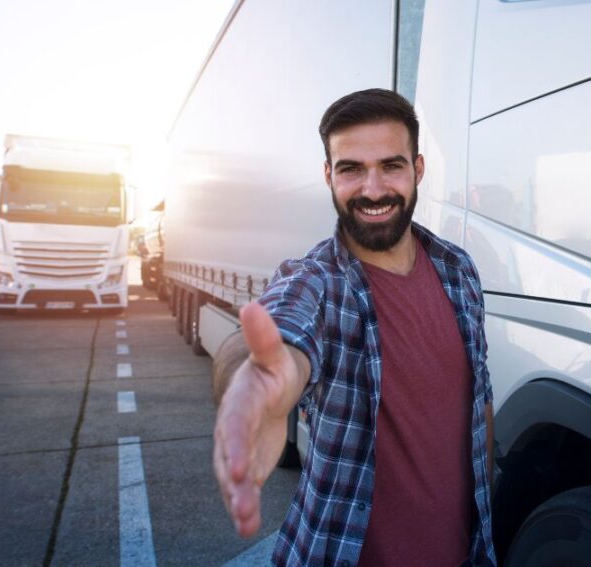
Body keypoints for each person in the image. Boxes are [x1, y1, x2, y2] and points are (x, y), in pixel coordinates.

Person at [211, 89, 496, 567]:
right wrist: (256, 381)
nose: (373, 188)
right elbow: (280, 329)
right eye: (351, 169)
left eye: (391, 165)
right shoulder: (317, 281)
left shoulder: (458, 270)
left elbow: (479, 406)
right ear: (328, 176)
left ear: (418, 169)